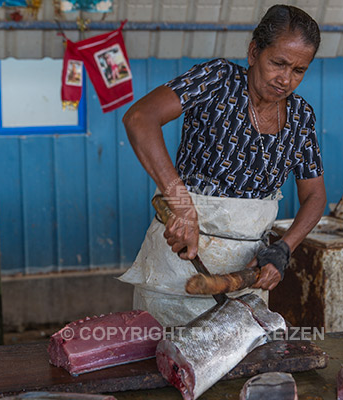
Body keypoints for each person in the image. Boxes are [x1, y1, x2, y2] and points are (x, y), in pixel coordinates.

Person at [118, 4, 326, 326]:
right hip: (179, 268)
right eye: (278, 63)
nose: (285, 79)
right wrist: (181, 203)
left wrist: (284, 249)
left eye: (299, 70)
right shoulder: (218, 80)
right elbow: (139, 118)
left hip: (245, 280)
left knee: (239, 367)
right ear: (254, 51)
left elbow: (315, 196)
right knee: (166, 363)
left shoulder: (301, 117)